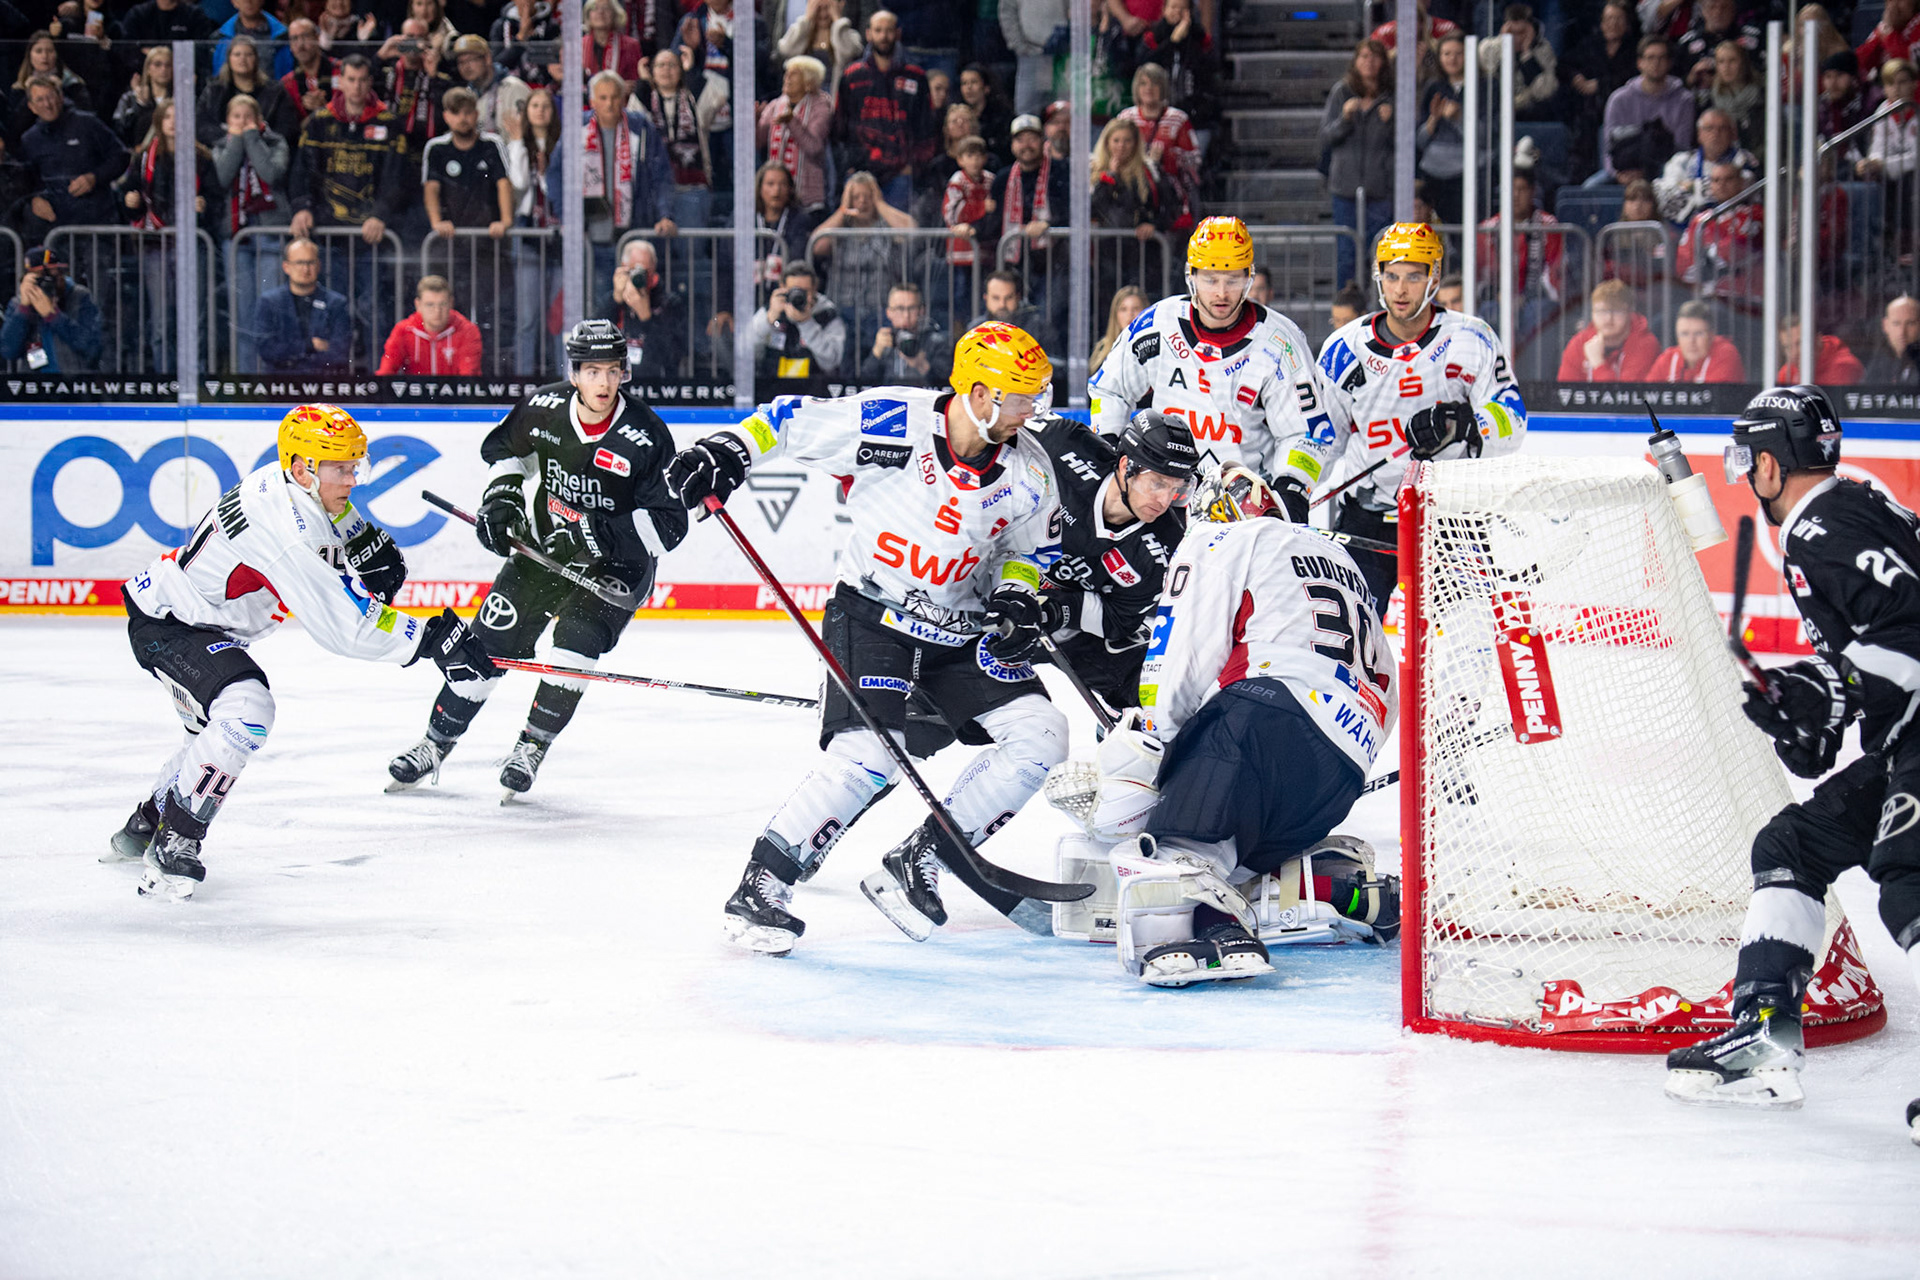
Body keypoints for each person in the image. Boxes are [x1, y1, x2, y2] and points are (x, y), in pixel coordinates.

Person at [664, 322, 1068, 954]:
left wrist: (1018, 595)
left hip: (959, 630)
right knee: (871, 756)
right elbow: (792, 420)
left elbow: (1030, 548)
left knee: (1043, 734)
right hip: (874, 614)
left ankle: (922, 858)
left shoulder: (1030, 470)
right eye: (1022, 397)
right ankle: (763, 885)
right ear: (983, 395)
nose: (1033, 410)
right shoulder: (895, 422)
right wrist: (729, 451)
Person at [110, 404, 497, 900]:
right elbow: (346, 628)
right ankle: (173, 846)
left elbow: (346, 541)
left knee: (207, 743)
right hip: (172, 625)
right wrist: (431, 638)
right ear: (303, 468)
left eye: (355, 465)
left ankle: (144, 825)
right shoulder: (289, 531)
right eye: (340, 468)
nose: (352, 479)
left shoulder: (295, 486)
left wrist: (366, 547)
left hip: (183, 616)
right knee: (246, 709)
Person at [1665, 385, 1920, 1137]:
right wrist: (1810, 716)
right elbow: (1875, 661)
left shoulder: (1824, 525)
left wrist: (1825, 687)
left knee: (1909, 888)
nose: (1748, 478)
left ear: (1770, 465)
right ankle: (1763, 1038)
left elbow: (1911, 637)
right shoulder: (1857, 509)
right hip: (1905, 735)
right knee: (1791, 845)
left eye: (1749, 462)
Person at [1058, 461, 1399, 987]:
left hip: (1266, 720)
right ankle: (1328, 885)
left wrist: (1144, 755)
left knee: (1172, 848)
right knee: (1234, 865)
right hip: (1341, 773)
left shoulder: (1222, 538)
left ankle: (1209, 927)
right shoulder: (1343, 563)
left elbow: (1180, 657)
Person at [387, 321, 689, 799]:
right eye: (593, 371)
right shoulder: (544, 408)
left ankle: (531, 746)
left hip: (613, 574)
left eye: (613, 371)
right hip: (542, 554)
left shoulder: (646, 435)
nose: (604, 384)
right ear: (574, 373)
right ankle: (434, 743)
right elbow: (508, 453)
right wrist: (501, 501)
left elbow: (668, 525)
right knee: (485, 644)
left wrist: (599, 533)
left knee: (573, 646)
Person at [1317, 222, 1527, 608]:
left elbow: (1513, 416)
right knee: (1347, 641)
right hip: (1368, 519)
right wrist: (1291, 490)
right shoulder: (1344, 348)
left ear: (1434, 277)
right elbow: (1321, 440)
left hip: (1451, 520)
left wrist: (1468, 424)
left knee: (1469, 639)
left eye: (1414, 276)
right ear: (1379, 277)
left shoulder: (1470, 338)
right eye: (1392, 276)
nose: (1400, 289)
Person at [1089, 216, 1339, 523]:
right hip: (1165, 503)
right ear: (1191, 276)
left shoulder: (1279, 342)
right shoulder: (1157, 324)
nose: (1221, 293)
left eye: (1232, 279)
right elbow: (1109, 389)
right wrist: (1111, 449)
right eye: (1210, 279)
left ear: (1249, 277)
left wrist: (1291, 489)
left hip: (1245, 511)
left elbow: (1307, 432)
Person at [1031, 408, 1195, 711]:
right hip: (982, 578)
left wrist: (1060, 611)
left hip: (1062, 621)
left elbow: (1118, 620)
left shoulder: (1164, 549)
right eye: (1157, 483)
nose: (1164, 501)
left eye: (1176, 488)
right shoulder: (1063, 444)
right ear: (1125, 466)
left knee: (1158, 685)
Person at [289, 54, 409, 361]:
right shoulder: (320, 122)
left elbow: (398, 176)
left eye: (362, 80)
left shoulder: (388, 122)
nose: (356, 87)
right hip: (330, 236)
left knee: (374, 311)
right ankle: (334, 376)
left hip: (372, 239)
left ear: (370, 82)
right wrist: (302, 207)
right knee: (332, 309)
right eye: (350, 80)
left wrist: (381, 213)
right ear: (341, 82)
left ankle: (376, 381)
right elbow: (302, 170)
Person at [551, 71, 673, 320]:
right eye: (603, 98)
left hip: (632, 234)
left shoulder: (641, 128)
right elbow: (555, 176)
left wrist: (665, 214)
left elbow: (661, 175)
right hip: (592, 239)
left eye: (615, 97)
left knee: (636, 305)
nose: (609, 103)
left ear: (624, 98)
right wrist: (568, 218)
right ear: (592, 101)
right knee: (600, 307)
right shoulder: (578, 130)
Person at [422, 86, 512, 361]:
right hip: (451, 243)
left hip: (488, 241)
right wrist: (437, 222)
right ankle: (451, 366)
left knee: (489, 309)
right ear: (446, 116)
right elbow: (431, 188)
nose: (463, 119)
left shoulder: (492, 144)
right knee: (452, 308)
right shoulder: (437, 148)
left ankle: (489, 368)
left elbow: (503, 184)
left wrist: (505, 220)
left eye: (468, 113)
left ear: (476, 114)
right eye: (456, 113)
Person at [213, 94, 292, 373]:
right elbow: (221, 177)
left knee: (269, 310)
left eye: (249, 118)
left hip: (270, 233)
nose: (243, 123)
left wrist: (251, 139)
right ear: (227, 122)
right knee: (242, 314)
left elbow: (271, 173)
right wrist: (238, 142)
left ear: (259, 121)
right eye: (237, 117)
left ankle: (271, 377)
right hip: (237, 237)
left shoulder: (274, 142)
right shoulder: (221, 146)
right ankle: (246, 379)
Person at [831, 8, 936, 211]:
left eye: (888, 31)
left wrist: (912, 166)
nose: (883, 36)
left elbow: (926, 129)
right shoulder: (852, 76)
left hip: (900, 173)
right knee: (857, 236)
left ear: (898, 33)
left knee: (899, 238)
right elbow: (839, 127)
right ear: (868, 33)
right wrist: (848, 165)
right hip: (860, 173)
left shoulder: (915, 76)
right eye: (878, 30)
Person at [1320, 40, 1395, 288]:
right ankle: (1348, 310)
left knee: (1379, 253)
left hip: (1380, 187)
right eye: (1363, 56)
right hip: (1345, 187)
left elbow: (1406, 142)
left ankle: (1379, 307)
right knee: (1346, 255)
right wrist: (1344, 118)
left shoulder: (1392, 96)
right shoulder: (1341, 92)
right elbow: (1326, 136)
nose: (1369, 62)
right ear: (1355, 61)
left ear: (1383, 62)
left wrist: (1391, 122)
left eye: (1374, 57)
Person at [17, 74, 126, 241]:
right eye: (40, 100)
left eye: (51, 97)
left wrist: (94, 178)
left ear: (61, 97)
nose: (47, 104)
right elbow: (26, 181)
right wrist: (33, 199)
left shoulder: (88, 124)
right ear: (31, 107)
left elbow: (121, 156)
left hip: (97, 223)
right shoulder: (29, 140)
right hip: (55, 228)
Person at [1116, 62, 1199, 238]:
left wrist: (1170, 157)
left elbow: (1194, 159)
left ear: (1163, 88)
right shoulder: (1126, 118)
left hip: (1167, 196)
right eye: (1143, 83)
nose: (1149, 89)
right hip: (1131, 193)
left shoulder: (1178, 119)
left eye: (1155, 84)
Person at [1598, 36, 1695, 181]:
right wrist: (1617, 174)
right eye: (1650, 58)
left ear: (1669, 63)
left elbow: (1682, 147)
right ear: (1640, 63)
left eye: (1661, 58)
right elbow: (1608, 148)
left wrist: (1648, 173)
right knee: (1589, 189)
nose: (1656, 63)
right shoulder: (1618, 99)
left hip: (1667, 172)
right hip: (1623, 172)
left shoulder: (1684, 100)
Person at [256, 237, 351, 373]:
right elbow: (267, 350)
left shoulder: (337, 303)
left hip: (323, 382)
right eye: (299, 263)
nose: (305, 269)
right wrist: (309, 345)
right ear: (286, 267)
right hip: (281, 384)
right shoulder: (269, 302)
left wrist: (291, 354)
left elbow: (339, 354)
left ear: (318, 266)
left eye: (310, 262)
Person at [0, 245, 101, 373]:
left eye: (53, 276)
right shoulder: (19, 304)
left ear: (62, 274)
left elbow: (91, 347)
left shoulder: (80, 297)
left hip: (72, 383)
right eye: (40, 279)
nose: (48, 284)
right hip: (36, 385)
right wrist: (23, 310)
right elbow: (8, 351)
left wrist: (53, 316)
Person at [1567, 1, 1640, 174]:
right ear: (1601, 23)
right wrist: (1575, 77)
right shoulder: (1591, 44)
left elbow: (1633, 78)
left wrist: (1600, 85)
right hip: (1590, 115)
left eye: (1618, 19)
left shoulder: (1636, 49)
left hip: (1625, 115)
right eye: (1608, 19)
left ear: (1627, 23)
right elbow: (1565, 65)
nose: (1613, 24)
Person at [646, 46, 713, 231]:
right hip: (653, 190)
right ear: (651, 71)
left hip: (692, 187)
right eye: (660, 65)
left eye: (672, 65)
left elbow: (714, 100)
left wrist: (691, 71)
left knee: (691, 252)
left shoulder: (694, 97)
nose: (666, 69)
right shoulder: (642, 99)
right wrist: (643, 83)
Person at [1654, 108, 1754, 227]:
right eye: (1709, 128)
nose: (1715, 134)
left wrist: (1690, 186)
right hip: (1686, 229)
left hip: (1734, 227)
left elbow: (1744, 186)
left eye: (1722, 129)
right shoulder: (1682, 160)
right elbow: (1663, 192)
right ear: (1699, 135)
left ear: (1732, 134)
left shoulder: (1744, 159)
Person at [748, 261, 846, 383]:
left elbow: (832, 360)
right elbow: (745, 350)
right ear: (782, 286)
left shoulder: (827, 314)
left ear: (815, 288)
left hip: (814, 387)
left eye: (805, 291)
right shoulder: (773, 308)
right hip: (771, 385)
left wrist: (806, 323)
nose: (799, 296)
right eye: (794, 290)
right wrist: (769, 319)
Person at [757, 54, 830, 214]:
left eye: (794, 74)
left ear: (808, 82)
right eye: (786, 73)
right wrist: (754, 121)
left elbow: (814, 148)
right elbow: (758, 142)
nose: (787, 78)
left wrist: (791, 121)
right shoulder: (776, 105)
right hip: (776, 199)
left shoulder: (821, 107)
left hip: (808, 199)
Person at [606, 238, 687, 380]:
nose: (641, 277)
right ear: (624, 267)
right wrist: (615, 300)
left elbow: (672, 355)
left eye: (645, 271)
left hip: (653, 380)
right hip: (617, 379)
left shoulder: (669, 302)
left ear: (654, 269)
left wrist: (646, 317)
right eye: (635, 270)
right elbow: (594, 336)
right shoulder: (614, 298)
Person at [199, 35, 299, 148]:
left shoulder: (276, 91)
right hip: (222, 152)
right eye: (237, 54)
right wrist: (231, 138)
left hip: (265, 153)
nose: (242, 59)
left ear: (256, 59)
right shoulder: (213, 91)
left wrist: (257, 139)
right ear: (229, 59)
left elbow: (288, 128)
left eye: (248, 54)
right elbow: (202, 126)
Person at [379, 17, 455, 158]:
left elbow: (445, 113)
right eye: (410, 37)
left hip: (425, 149)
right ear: (400, 38)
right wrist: (380, 56)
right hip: (388, 148)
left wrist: (433, 76)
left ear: (427, 41)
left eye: (420, 37)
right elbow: (363, 87)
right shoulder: (386, 71)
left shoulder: (440, 76)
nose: (414, 42)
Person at [1557, 278, 1660, 381]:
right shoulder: (1579, 343)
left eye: (1617, 311)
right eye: (1601, 311)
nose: (1608, 318)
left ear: (1630, 312)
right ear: (1592, 313)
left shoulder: (1645, 343)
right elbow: (1566, 391)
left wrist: (1598, 363)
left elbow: (1625, 395)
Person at [377, 275, 481, 375]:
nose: (437, 311)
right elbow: (385, 372)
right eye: (430, 305)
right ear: (418, 305)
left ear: (451, 303)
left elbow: (468, 379)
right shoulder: (403, 330)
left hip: (453, 392)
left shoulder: (467, 330)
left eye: (442, 304)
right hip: (416, 392)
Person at [1475, 4, 1559, 122]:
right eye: (1513, 33)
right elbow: (1490, 85)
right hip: (1495, 114)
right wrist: (1504, 47)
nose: (1518, 39)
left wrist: (1527, 55)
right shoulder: (1487, 48)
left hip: (1531, 114)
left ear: (1532, 30)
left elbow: (1544, 92)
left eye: (1522, 32)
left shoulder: (1543, 49)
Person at [1417, 33, 1468, 224]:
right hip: (1433, 173)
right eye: (1447, 54)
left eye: (1458, 53)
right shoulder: (1433, 87)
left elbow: (1485, 137)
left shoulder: (1483, 87)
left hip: (1467, 172)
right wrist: (1433, 119)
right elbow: (1420, 140)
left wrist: (1458, 118)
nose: (1452, 59)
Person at [860, 280, 949, 386]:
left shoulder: (937, 342)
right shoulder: (880, 339)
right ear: (889, 313)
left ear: (921, 311)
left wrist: (922, 365)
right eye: (900, 308)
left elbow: (947, 388)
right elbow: (862, 385)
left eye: (912, 308)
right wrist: (876, 352)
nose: (906, 315)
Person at [779, 0, 863, 106]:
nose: (823, 14)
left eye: (828, 8)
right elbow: (786, 49)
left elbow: (848, 53)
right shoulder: (802, 33)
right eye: (819, 8)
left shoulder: (848, 35)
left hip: (836, 100)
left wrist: (838, 20)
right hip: (804, 103)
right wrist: (807, 19)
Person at [448, 32, 525, 137]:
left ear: (487, 58)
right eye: (461, 62)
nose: (466, 67)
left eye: (471, 60)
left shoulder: (513, 88)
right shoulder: (468, 94)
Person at [1649, 298, 1745, 381]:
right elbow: (1645, 396)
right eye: (1684, 334)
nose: (1691, 341)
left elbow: (1711, 400)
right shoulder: (1668, 358)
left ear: (1711, 335)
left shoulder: (1726, 353)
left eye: (1699, 334)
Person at [970, 269, 1056, 359]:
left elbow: (1053, 366)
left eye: (1008, 298)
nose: (1002, 304)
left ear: (1018, 297)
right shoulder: (975, 330)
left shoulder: (1039, 329)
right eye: (996, 298)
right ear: (986, 298)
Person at [1675, 0, 1758, 87]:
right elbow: (1671, 80)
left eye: (1724, 7)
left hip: (1742, 96)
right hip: (1697, 97)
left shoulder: (1752, 40)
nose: (1718, 12)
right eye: (1712, 7)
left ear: (1733, 10)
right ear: (1703, 11)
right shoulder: (1686, 43)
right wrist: (1690, 78)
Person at [1700, 40, 1761, 149]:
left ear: (1743, 62)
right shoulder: (1709, 100)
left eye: (1732, 61)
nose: (1726, 67)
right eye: (1721, 62)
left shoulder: (1762, 96)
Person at [111, 44, 171, 151]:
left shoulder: (180, 99)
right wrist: (140, 104)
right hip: (137, 156)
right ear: (148, 69)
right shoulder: (130, 98)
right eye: (158, 64)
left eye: (168, 65)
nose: (163, 69)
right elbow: (120, 131)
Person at [281, 18, 340, 126]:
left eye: (305, 36)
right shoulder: (287, 83)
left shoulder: (342, 71)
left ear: (317, 38)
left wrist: (326, 109)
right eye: (294, 39)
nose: (300, 44)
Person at [1776, 312, 1864, 385]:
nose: (1794, 353)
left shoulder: (1844, 366)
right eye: (1788, 347)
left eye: (1800, 343)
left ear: (1818, 339)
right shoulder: (1787, 371)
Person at [213, 0, 290, 80]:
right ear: (234, 2)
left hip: (275, 90)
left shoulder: (285, 36)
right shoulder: (219, 38)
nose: (248, 1)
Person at [1858, 0, 1920, 85]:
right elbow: (1861, 63)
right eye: (1890, 0)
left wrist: (1889, 36)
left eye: (1900, 1)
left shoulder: (1917, 25)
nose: (1893, 6)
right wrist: (1885, 32)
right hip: (1888, 93)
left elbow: (1908, 68)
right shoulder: (1886, 27)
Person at [1863, 294, 1920, 384]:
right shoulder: (1878, 361)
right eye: (1896, 323)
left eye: (1910, 323)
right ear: (1885, 325)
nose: (1902, 332)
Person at [583, 0, 644, 82]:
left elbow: (635, 81)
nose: (600, 12)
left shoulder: (630, 45)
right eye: (595, 8)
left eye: (606, 8)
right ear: (588, 15)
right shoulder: (580, 45)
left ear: (615, 15)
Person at [1089, 284, 1146, 369]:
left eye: (1136, 309)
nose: (1130, 314)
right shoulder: (1102, 350)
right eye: (1123, 309)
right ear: (1115, 314)